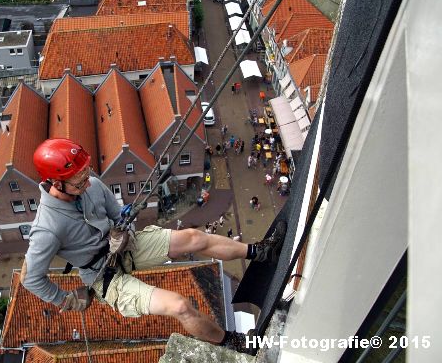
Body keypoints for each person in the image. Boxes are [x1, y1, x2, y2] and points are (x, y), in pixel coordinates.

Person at [22, 138, 287, 353]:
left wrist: (122, 231)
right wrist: (64, 299)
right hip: (103, 277)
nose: (88, 182)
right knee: (179, 305)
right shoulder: (47, 228)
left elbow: (117, 217)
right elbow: (31, 278)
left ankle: (260, 251)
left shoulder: (92, 186)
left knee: (193, 237)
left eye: (86, 174)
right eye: (79, 180)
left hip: (123, 248)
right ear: (56, 184)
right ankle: (236, 343)